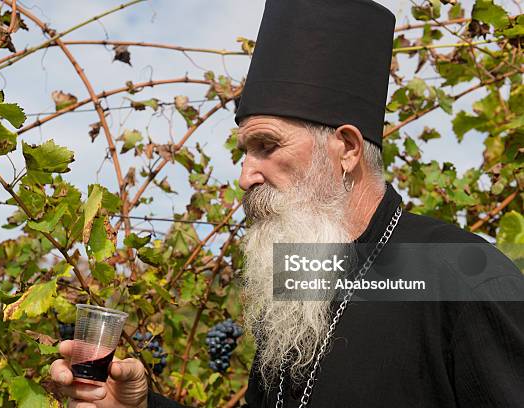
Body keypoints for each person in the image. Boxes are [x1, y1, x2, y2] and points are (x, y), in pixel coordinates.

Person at [50, 0, 524, 406]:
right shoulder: (301, 275)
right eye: (244, 151)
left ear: (347, 149)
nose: (244, 175)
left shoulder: (463, 275)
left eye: (267, 146)